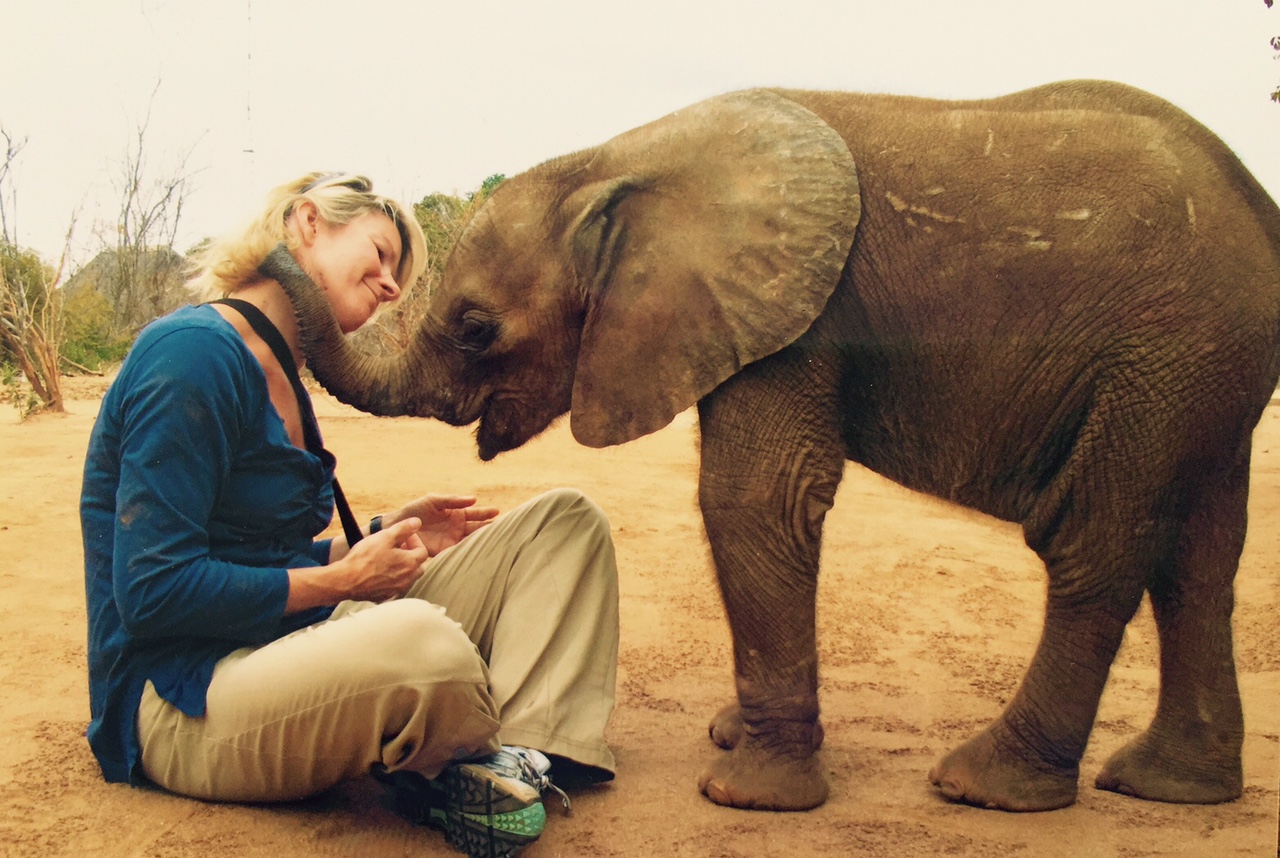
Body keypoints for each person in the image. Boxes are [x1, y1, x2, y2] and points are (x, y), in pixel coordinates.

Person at [80, 172, 619, 858]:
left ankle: (516, 761)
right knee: (421, 644)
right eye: (382, 253)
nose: (393, 286)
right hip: (182, 700)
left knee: (565, 525)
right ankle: (465, 743)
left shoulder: (285, 371)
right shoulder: (193, 355)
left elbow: (259, 557)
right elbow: (154, 593)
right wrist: (344, 583)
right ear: (308, 223)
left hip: (283, 642)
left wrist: (372, 542)